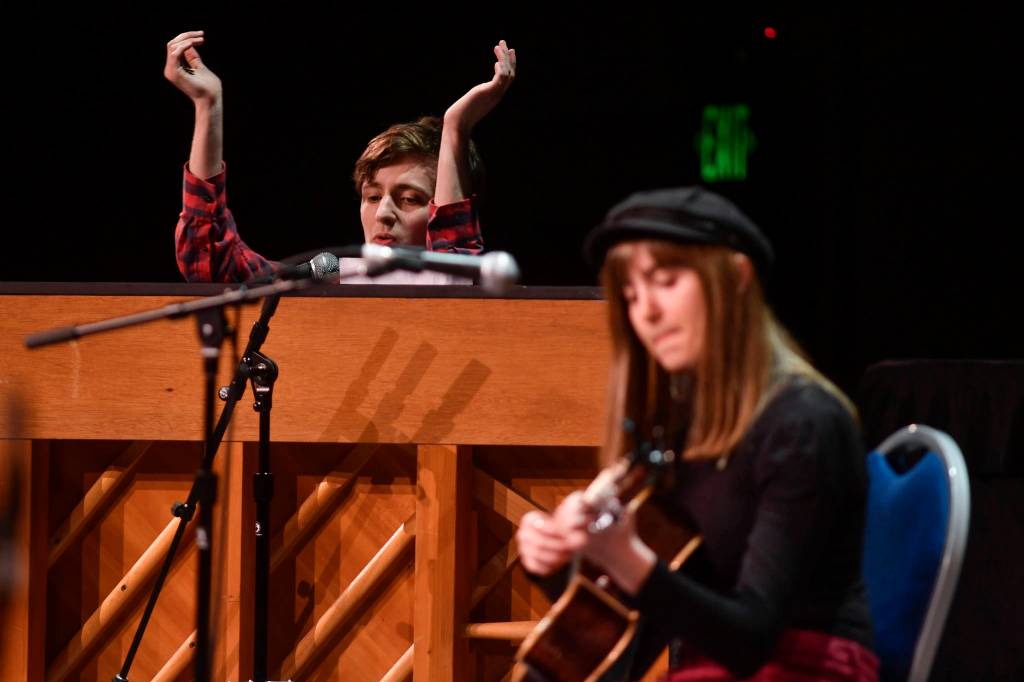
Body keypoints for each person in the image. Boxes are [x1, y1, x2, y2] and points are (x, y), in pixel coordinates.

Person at [515, 187, 878, 681]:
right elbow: (634, 626)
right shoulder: (676, 431)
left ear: (735, 278)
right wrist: (561, 560)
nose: (646, 312)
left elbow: (751, 637)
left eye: (664, 281)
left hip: (806, 666)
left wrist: (628, 558)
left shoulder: (802, 424)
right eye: (630, 295)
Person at [163, 30, 516, 283]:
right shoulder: (335, 273)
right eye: (372, 196)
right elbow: (211, 259)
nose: (383, 213)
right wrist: (208, 106)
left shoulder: (466, 287)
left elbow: (450, 262)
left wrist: (455, 127)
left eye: (410, 199)